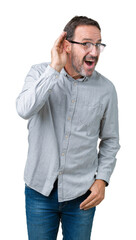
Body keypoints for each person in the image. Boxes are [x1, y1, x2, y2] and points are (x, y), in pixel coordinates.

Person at [16, 16, 120, 240]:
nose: (94, 51)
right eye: (86, 44)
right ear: (66, 45)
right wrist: (54, 68)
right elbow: (24, 109)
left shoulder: (106, 89)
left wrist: (102, 180)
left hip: (81, 195)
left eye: (98, 44)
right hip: (39, 192)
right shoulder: (39, 74)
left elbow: (110, 139)